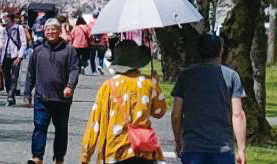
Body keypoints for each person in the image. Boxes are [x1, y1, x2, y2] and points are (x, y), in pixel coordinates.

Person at [80, 39, 167, 164]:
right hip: (143, 149)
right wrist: (156, 84)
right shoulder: (148, 83)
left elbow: (95, 123)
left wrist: (86, 155)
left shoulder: (108, 86)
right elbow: (159, 112)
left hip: (115, 150)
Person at [172, 33, 247, 164]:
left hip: (193, 147)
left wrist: (178, 141)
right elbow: (238, 114)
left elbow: (176, 114)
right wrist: (241, 149)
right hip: (223, 148)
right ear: (220, 51)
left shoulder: (186, 75)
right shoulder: (232, 77)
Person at [25, 18, 80, 164]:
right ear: (44, 32)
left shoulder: (69, 50)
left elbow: (74, 69)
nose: (50, 32)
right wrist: (27, 93)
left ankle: (59, 157)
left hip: (62, 98)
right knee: (39, 127)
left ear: (59, 31)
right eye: (48, 29)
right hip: (41, 97)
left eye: (53, 29)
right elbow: (30, 73)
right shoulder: (38, 51)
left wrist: (70, 86)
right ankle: (37, 156)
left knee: (61, 129)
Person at [1, 11, 31, 106]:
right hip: (5, 56)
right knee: (6, 77)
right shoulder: (3, 29)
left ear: (10, 18)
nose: (5, 20)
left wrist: (20, 56)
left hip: (15, 55)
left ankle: (10, 95)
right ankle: (10, 94)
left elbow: (23, 43)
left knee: (14, 76)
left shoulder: (19, 28)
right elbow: (1, 44)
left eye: (6, 18)